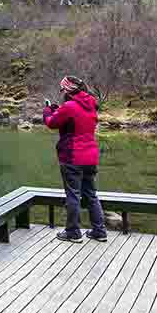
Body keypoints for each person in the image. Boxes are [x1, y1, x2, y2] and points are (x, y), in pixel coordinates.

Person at [43, 75, 106, 243]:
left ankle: (73, 232)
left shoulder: (69, 106)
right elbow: (72, 119)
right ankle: (99, 231)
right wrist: (58, 109)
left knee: (72, 195)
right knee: (91, 195)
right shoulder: (91, 104)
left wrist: (48, 110)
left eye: (62, 89)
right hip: (90, 157)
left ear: (68, 90)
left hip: (72, 157)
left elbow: (51, 123)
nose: (62, 92)